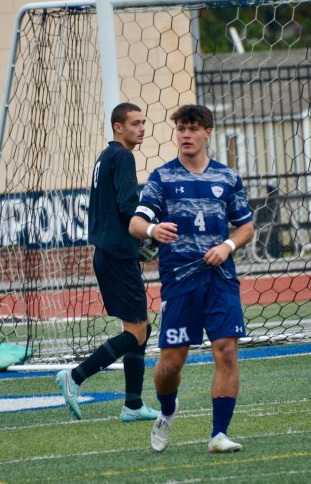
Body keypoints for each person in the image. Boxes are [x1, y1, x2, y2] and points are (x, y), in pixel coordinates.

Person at [129, 104, 254, 454]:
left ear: (207, 133)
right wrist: (154, 228)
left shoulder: (227, 178)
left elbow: (246, 226)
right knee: (171, 363)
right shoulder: (162, 177)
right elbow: (136, 223)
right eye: (181, 128)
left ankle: (219, 434)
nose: (186, 134)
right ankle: (167, 410)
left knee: (227, 351)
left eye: (193, 128)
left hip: (220, 278)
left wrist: (228, 245)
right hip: (180, 281)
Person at [55, 102, 159, 423]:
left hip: (110, 252)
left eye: (143, 122)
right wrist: (149, 231)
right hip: (117, 255)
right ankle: (75, 377)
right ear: (118, 127)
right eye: (134, 123)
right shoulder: (123, 156)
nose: (141, 128)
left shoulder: (106, 156)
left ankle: (132, 405)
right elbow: (128, 204)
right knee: (138, 331)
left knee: (140, 328)